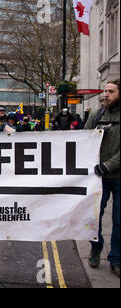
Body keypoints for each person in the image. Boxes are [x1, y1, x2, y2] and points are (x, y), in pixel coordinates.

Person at [84, 79, 120, 277]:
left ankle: (116, 259)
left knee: (119, 220)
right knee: (95, 217)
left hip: (116, 175)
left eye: (111, 91)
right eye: (105, 91)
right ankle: (96, 249)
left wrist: (108, 165)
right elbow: (84, 138)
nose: (106, 95)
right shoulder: (97, 115)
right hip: (99, 177)